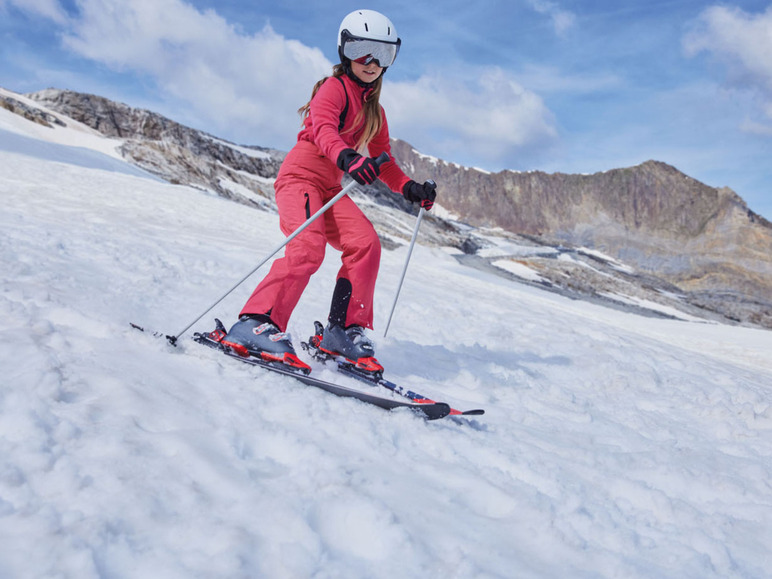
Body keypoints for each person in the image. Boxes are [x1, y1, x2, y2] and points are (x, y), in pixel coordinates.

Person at [222, 9, 437, 374]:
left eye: (383, 54)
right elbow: (323, 129)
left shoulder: (376, 113)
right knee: (307, 248)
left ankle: (343, 332)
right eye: (362, 51)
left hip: (328, 188)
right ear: (345, 51)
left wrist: (410, 188)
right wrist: (349, 158)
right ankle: (255, 323)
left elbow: (383, 162)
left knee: (366, 243)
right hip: (301, 178)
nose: (371, 62)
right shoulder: (332, 89)